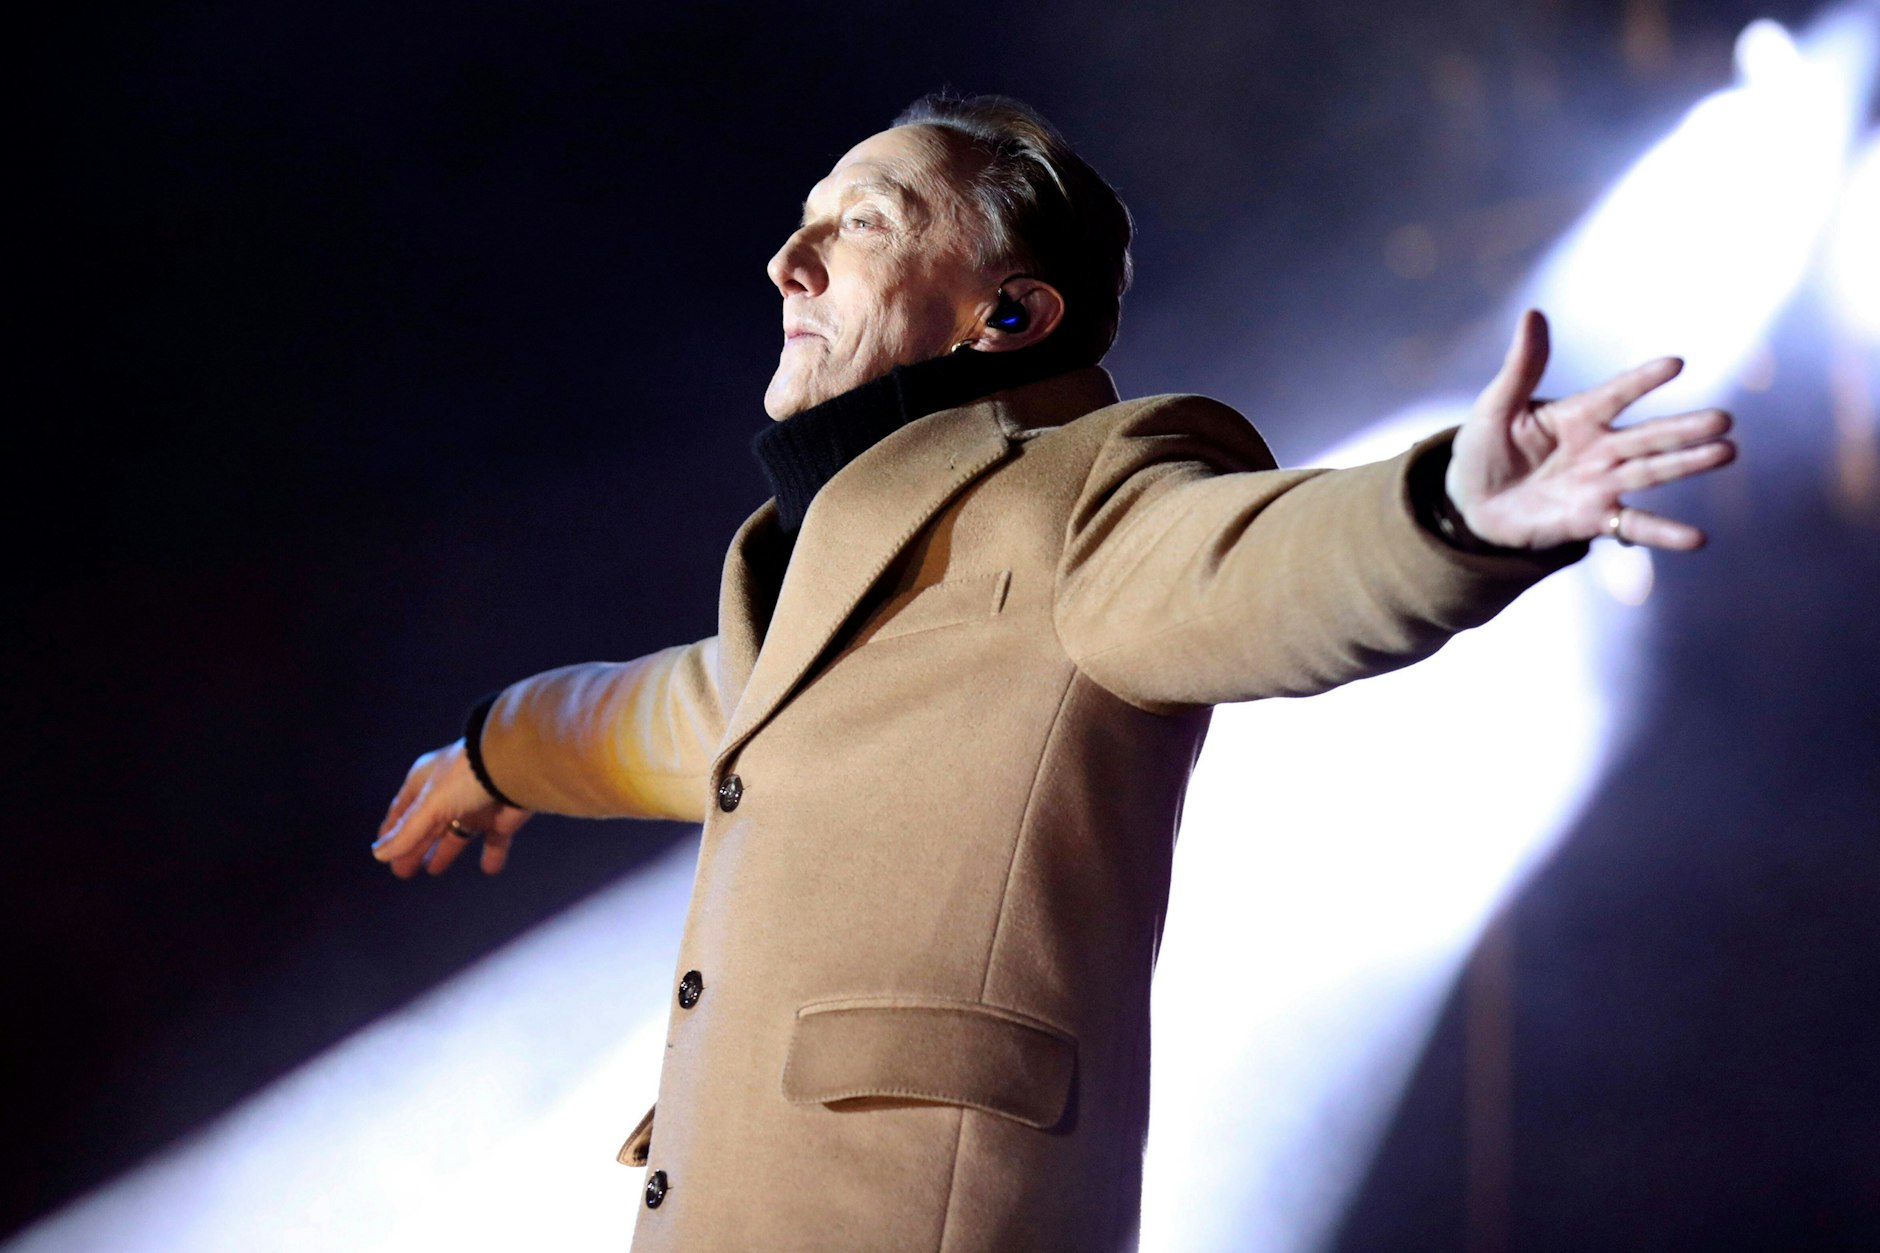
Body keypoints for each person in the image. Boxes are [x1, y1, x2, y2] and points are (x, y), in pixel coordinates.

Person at [370, 93, 1735, 1250]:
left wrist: (1448, 511)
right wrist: (495, 753)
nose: (789, 262)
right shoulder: (824, 571)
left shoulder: (1077, 494)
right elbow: (671, 709)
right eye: (804, 221)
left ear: (1010, 313)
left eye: (862, 224)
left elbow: (1255, 566)